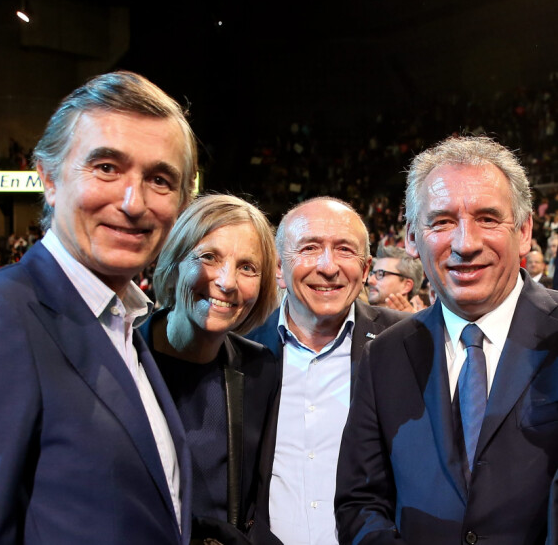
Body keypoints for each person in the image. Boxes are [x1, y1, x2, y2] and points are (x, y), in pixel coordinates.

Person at [0, 70, 198, 545]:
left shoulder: (125, 323)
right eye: (106, 168)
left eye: (159, 180)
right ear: (50, 178)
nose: (133, 202)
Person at [335, 135, 558, 545]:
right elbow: (360, 502)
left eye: (488, 218)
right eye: (441, 221)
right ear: (412, 238)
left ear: (524, 231)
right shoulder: (383, 355)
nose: (465, 243)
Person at [246, 196, 407, 545]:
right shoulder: (239, 350)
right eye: (309, 247)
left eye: (345, 250)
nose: (328, 266)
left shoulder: (406, 343)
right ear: (278, 268)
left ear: (365, 270)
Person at [140, 194, 282, 545]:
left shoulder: (261, 370)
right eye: (209, 257)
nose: (227, 281)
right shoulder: (121, 355)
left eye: (247, 267)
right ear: (174, 263)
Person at [367, 244, 424, 311]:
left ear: (406, 286)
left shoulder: (419, 321)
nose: (370, 280)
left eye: (380, 274)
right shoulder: (357, 318)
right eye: (372, 274)